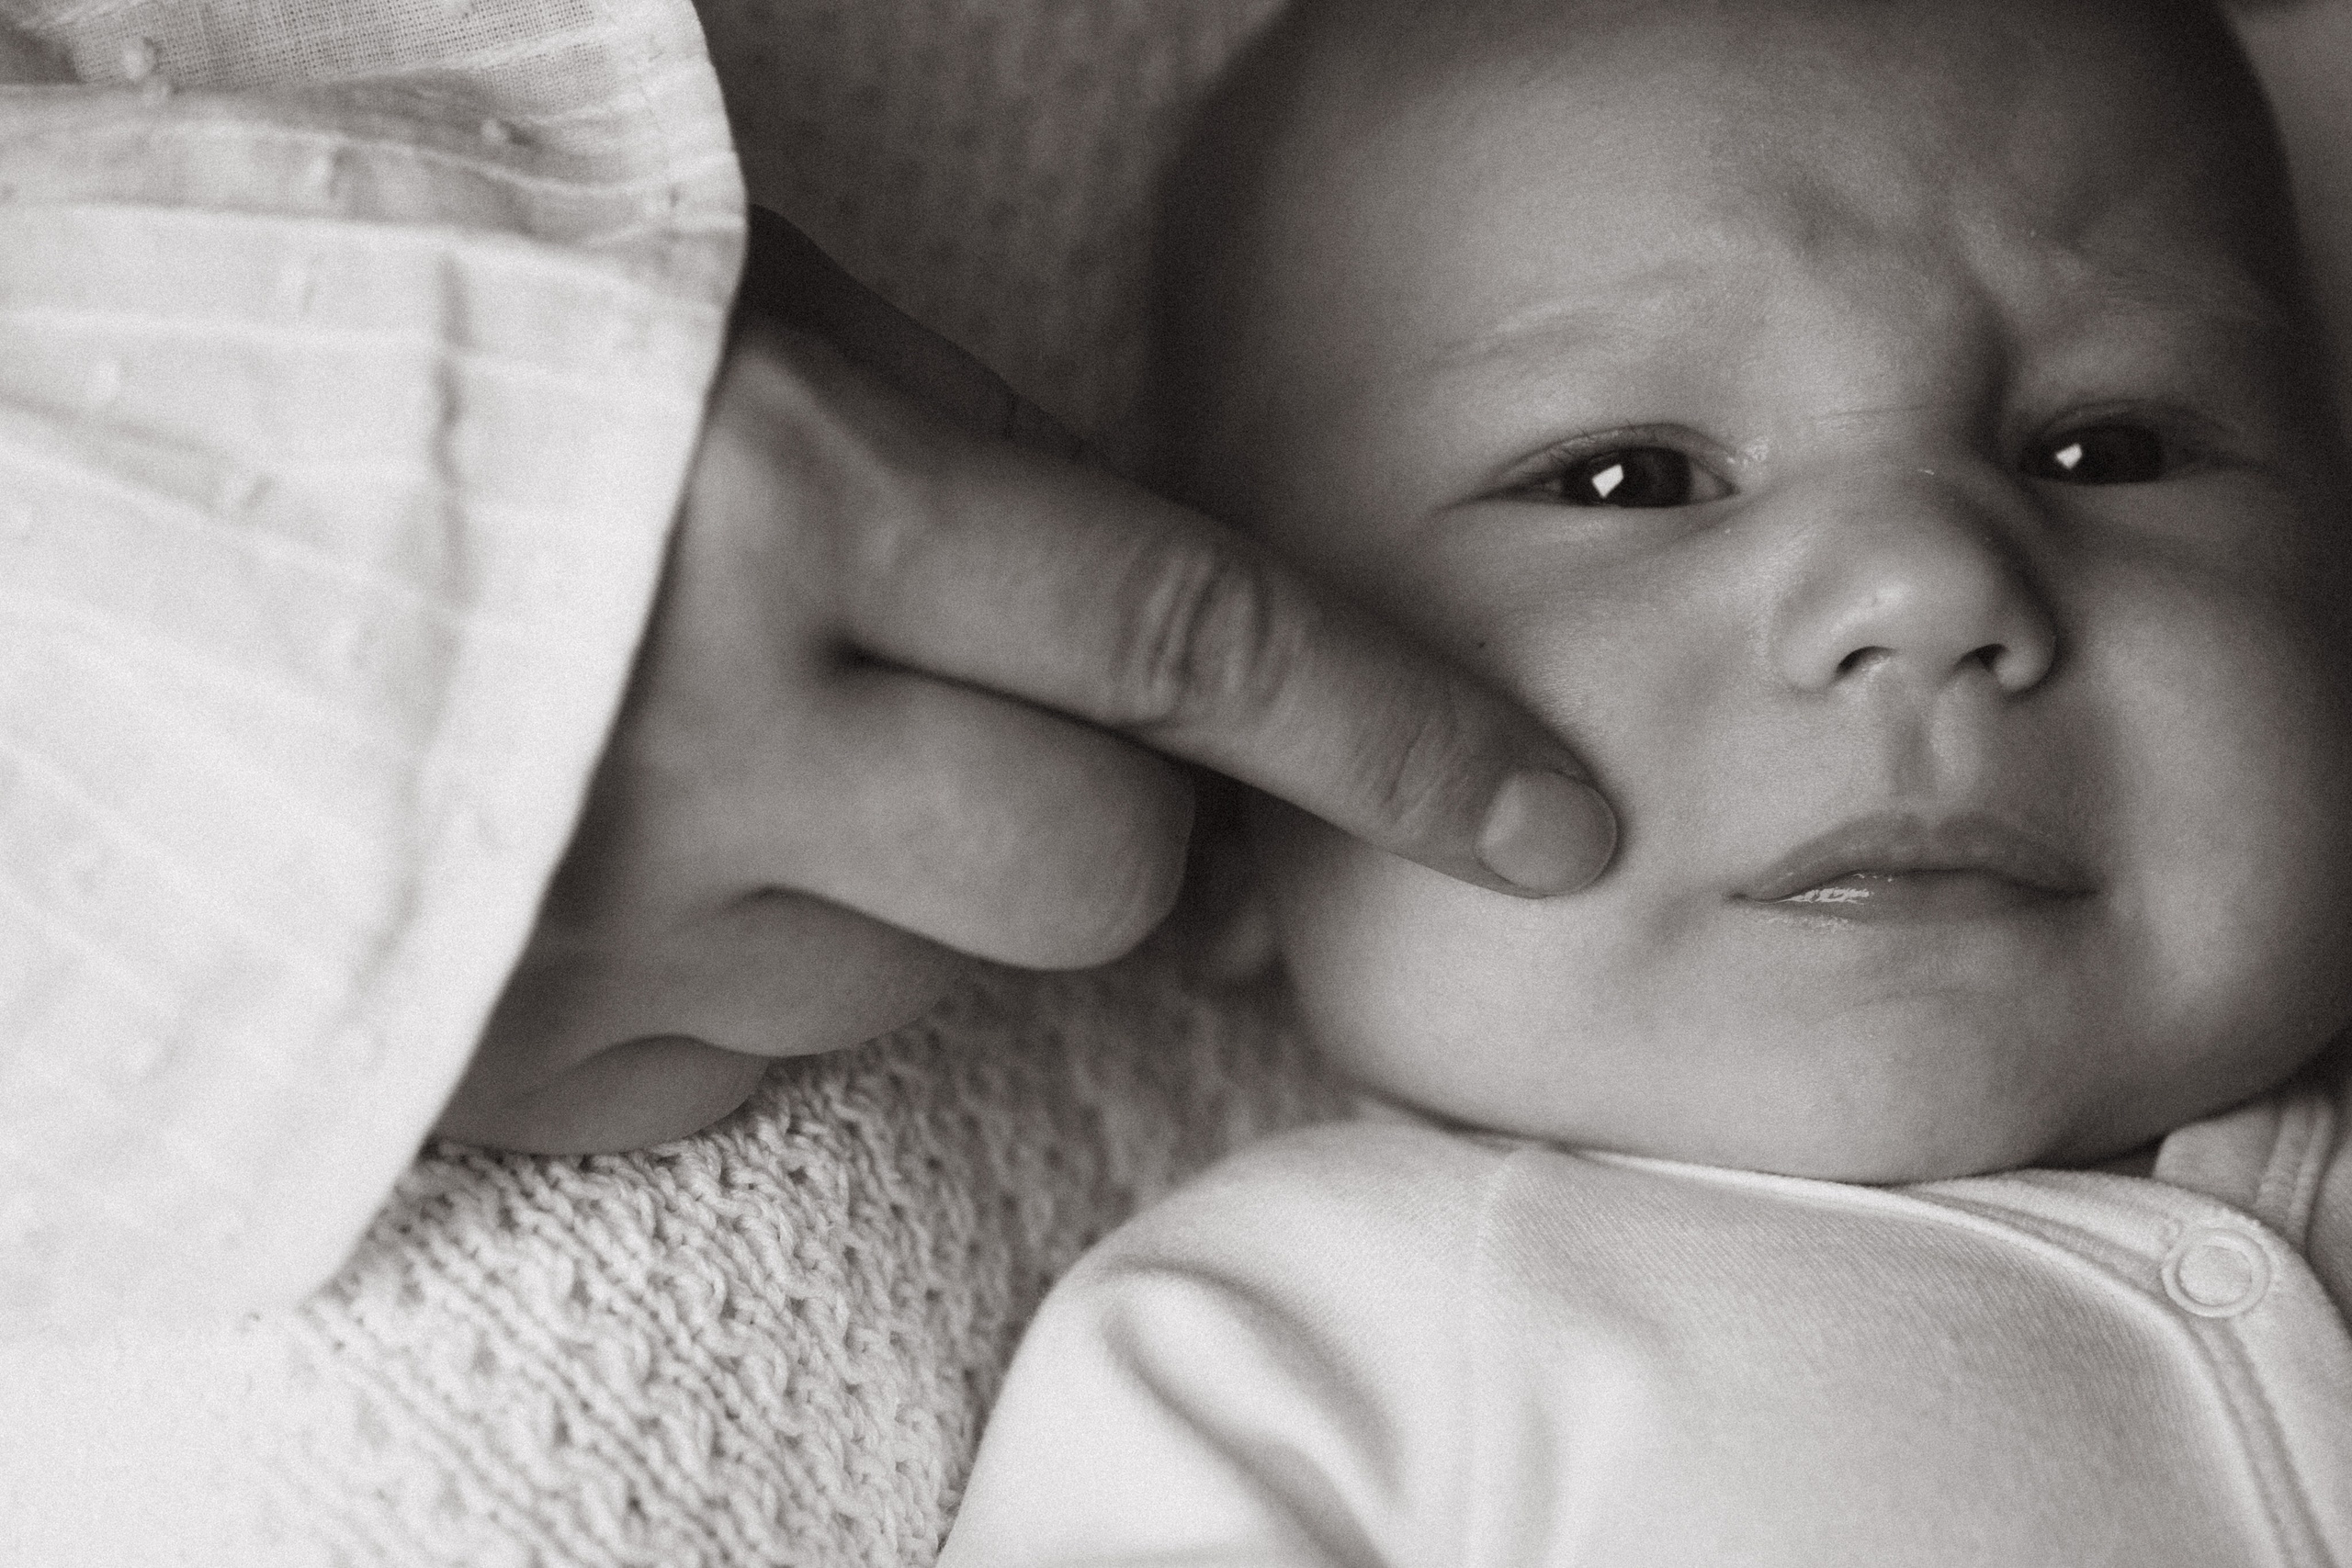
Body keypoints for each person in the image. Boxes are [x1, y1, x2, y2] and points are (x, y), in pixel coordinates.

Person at [936, 0, 2352, 1560]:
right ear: (1214, 802)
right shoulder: (1293, 1351)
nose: (1926, 581)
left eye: (2111, 448)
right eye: (1627, 481)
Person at [0, 0, 1616, 1331]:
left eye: (1895, 469)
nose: (1882, 579)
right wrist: (223, 630)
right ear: (1261, 813)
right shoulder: (1284, 1344)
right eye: (1630, 481)